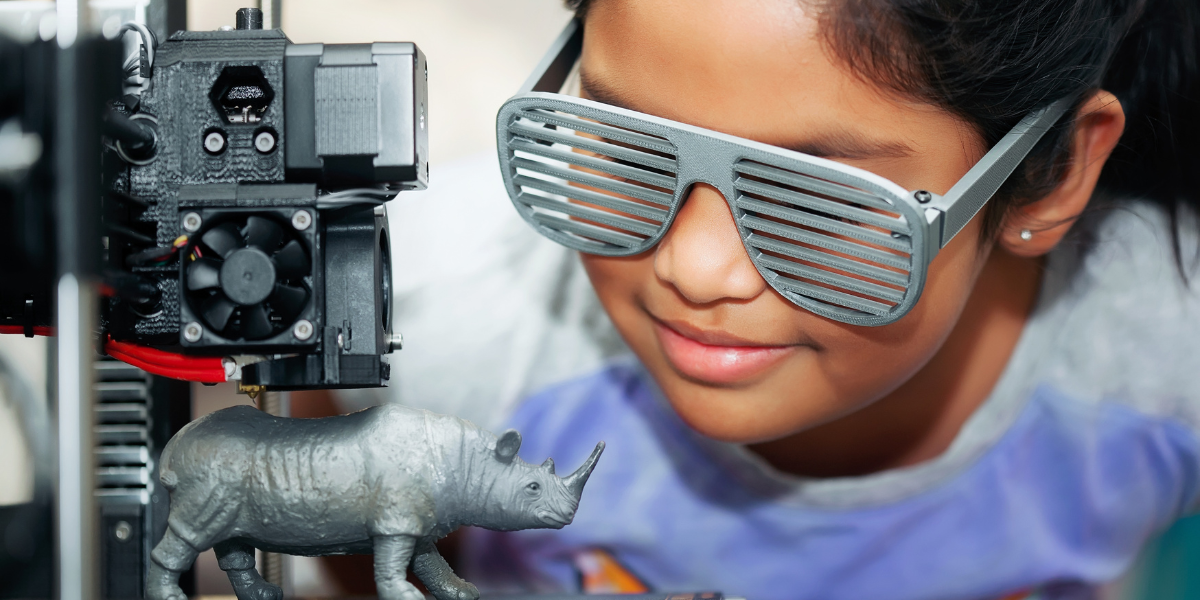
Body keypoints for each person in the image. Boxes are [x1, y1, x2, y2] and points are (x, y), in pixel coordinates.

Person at [456, 0, 1200, 599]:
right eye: (628, 147)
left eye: (814, 199)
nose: (697, 268)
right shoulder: (441, 336)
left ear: (1060, 166)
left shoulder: (1166, 365)